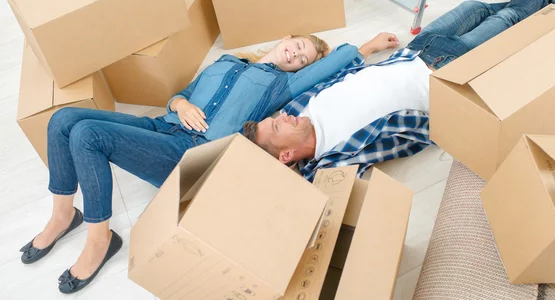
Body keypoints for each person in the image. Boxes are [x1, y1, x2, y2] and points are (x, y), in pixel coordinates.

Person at [19, 33, 396, 294]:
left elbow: (331, 67)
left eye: (303, 60)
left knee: (88, 135)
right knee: (63, 120)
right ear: (285, 38)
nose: (296, 57)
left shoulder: (279, 86)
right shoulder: (226, 61)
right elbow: (182, 94)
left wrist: (370, 46)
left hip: (190, 153)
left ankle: (101, 240)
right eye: (297, 47)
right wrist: (180, 105)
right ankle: (63, 215)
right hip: (160, 125)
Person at [244, 0, 555, 181]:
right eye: (277, 125)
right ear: (286, 155)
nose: (284, 116)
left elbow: (338, 77)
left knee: (476, 7)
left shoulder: (301, 110)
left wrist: (370, 48)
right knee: (508, 19)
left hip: (415, 50)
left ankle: (548, 4)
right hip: (445, 72)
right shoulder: (331, 163)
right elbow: (324, 200)